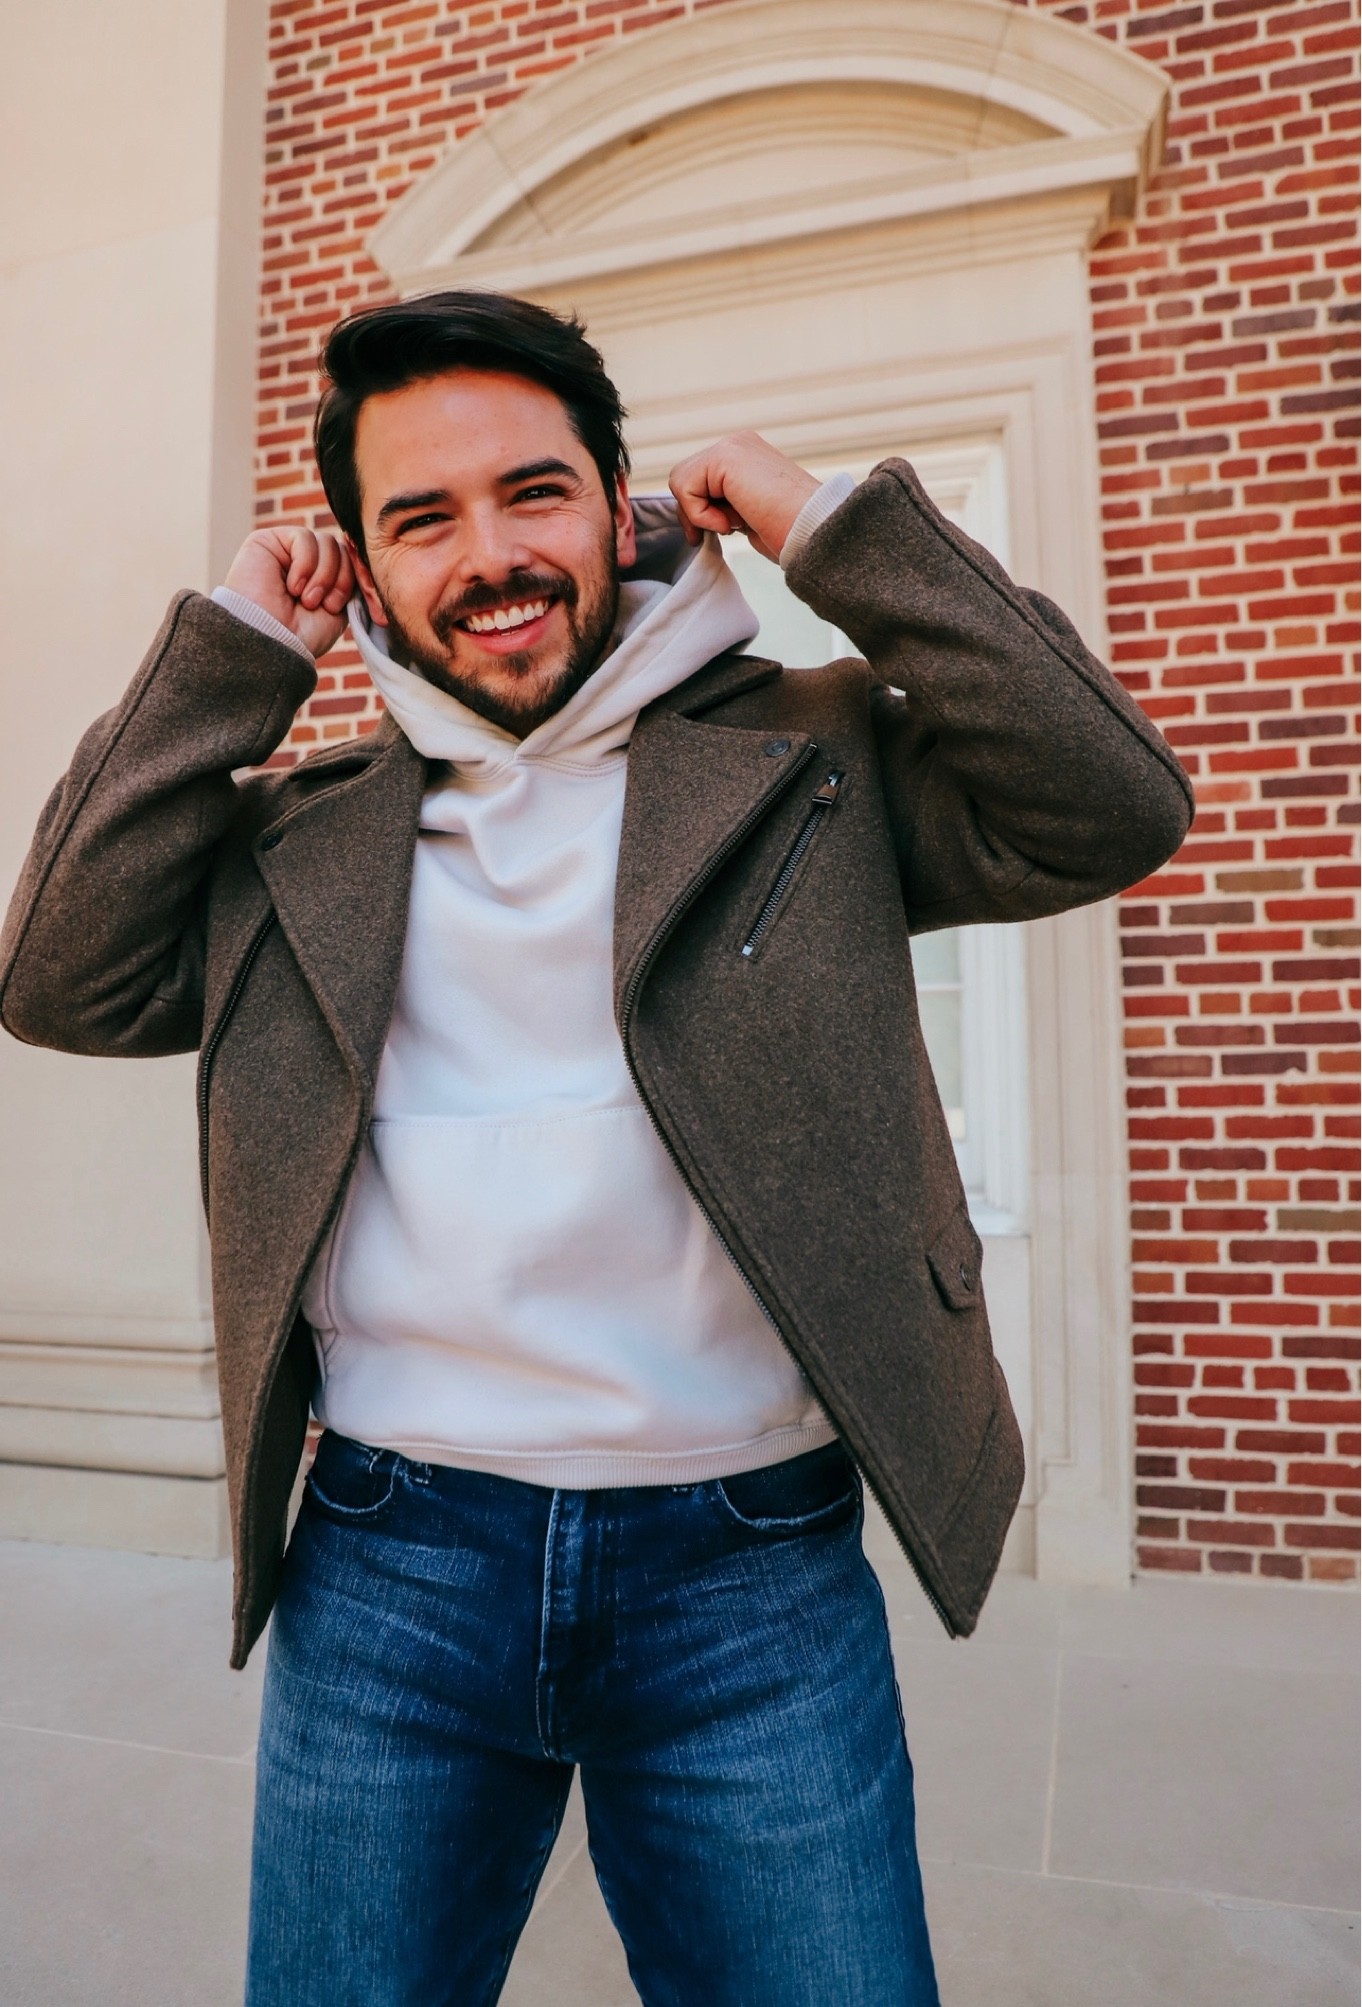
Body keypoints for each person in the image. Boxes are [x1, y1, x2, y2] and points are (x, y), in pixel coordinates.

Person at [0, 292, 1192, 2006]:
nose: (489, 555)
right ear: (364, 569)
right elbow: (58, 976)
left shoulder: (812, 754)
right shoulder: (301, 839)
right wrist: (233, 649)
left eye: (533, 492)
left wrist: (825, 527)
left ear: (618, 506)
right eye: (421, 518)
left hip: (749, 1580)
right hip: (392, 1570)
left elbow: (1111, 798)